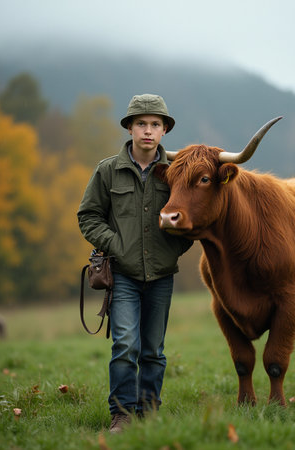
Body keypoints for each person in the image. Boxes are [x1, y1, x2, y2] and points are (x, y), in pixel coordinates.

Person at [77, 94, 192, 433]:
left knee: (154, 350)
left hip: (161, 276)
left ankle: (149, 412)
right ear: (129, 127)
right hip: (123, 276)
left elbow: (190, 220)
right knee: (126, 344)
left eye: (155, 124)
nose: (148, 130)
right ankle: (122, 415)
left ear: (164, 130)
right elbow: (88, 216)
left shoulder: (174, 173)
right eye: (141, 124)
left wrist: (171, 251)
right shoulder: (107, 171)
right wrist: (116, 246)